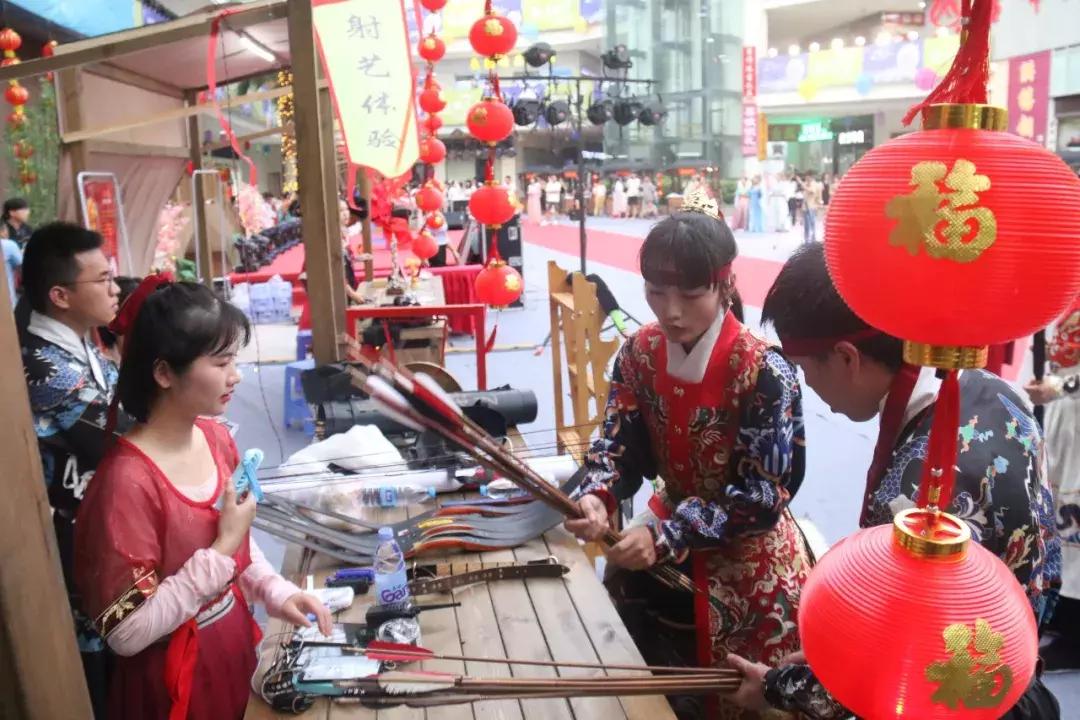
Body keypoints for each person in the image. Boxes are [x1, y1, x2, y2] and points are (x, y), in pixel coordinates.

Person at [726, 243, 1061, 719]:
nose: (810, 388)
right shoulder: (999, 392)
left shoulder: (913, 503)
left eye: (805, 369)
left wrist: (776, 687)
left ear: (846, 357)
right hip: (1017, 677)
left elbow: (885, 669)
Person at [563, 190, 810, 720]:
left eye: (691, 294)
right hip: (660, 539)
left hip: (747, 563)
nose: (671, 312)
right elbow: (617, 445)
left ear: (725, 284)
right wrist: (599, 494)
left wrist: (667, 534)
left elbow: (763, 496)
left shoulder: (765, 371)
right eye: (656, 292)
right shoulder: (639, 353)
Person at [75, 280, 332, 720]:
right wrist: (222, 548)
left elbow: (238, 546)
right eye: (221, 362)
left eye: (234, 360)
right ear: (163, 373)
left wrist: (275, 591)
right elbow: (126, 631)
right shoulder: (125, 484)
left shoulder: (215, 438)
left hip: (231, 648)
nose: (236, 376)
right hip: (173, 681)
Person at [20, 222, 124, 717]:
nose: (114, 288)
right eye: (102, 279)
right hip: (75, 547)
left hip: (106, 533)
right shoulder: (42, 365)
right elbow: (122, 437)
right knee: (100, 675)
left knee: (124, 648)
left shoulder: (81, 345)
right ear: (60, 295)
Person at [1025, 294, 1080, 670]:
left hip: (1070, 407)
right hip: (1063, 417)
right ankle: (1063, 614)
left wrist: (1058, 387)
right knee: (1057, 514)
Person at [2, 222, 22, 308]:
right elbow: (23, 267)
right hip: (6, 303)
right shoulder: (9, 245)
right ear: (2, 231)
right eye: (6, 230)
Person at [801, 173, 822, 244]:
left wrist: (802, 184)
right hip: (805, 207)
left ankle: (813, 239)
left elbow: (812, 191)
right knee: (806, 224)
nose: (806, 180)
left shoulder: (815, 185)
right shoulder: (806, 184)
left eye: (808, 178)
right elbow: (805, 197)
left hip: (812, 207)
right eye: (806, 179)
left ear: (811, 178)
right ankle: (806, 240)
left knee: (812, 223)